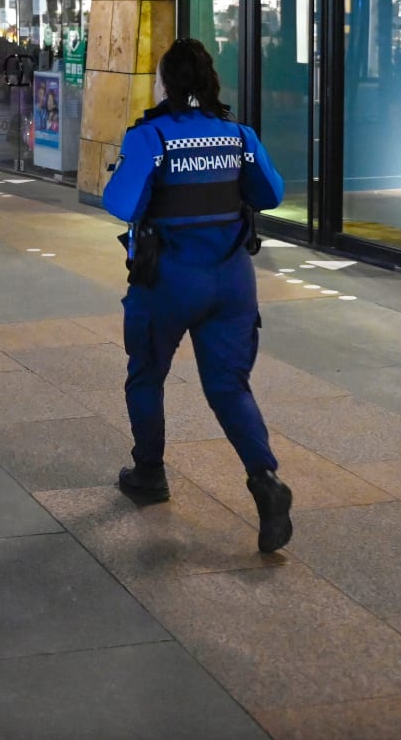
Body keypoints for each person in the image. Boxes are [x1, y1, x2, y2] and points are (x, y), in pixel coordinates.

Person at [102, 38, 295, 554]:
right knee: (230, 387)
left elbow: (119, 202)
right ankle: (266, 481)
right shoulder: (239, 135)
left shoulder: (152, 136)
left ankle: (149, 473)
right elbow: (271, 194)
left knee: (147, 375)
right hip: (231, 283)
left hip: (166, 280)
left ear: (166, 85)